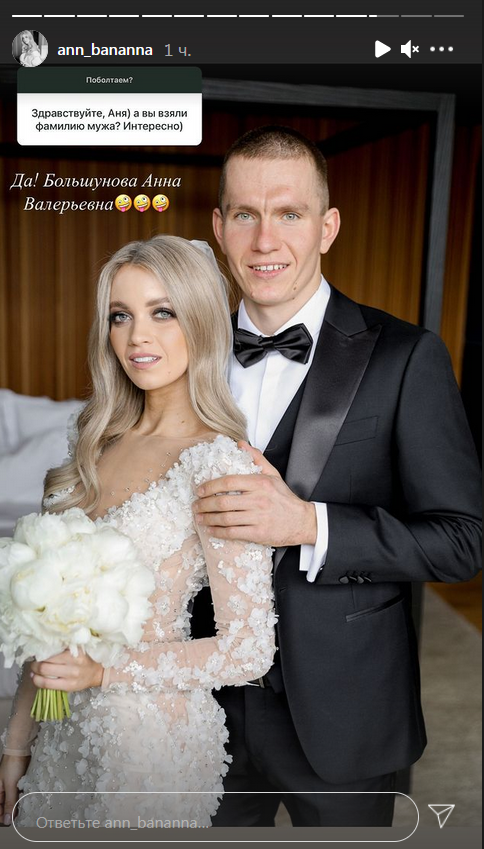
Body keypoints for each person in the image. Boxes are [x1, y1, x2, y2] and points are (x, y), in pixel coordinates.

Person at [191, 125, 482, 827]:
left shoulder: (406, 357)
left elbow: (462, 541)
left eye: (289, 213)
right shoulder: (181, 355)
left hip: (346, 709)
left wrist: (309, 524)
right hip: (199, 708)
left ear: (327, 227)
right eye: (245, 214)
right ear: (219, 228)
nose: (265, 240)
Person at [0, 235, 277, 828]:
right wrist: (17, 742)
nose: (136, 337)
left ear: (201, 321)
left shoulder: (218, 464)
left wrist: (104, 672)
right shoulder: (95, 443)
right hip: (62, 733)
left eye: (162, 312)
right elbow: (44, 621)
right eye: (120, 316)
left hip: (150, 745)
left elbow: (248, 650)